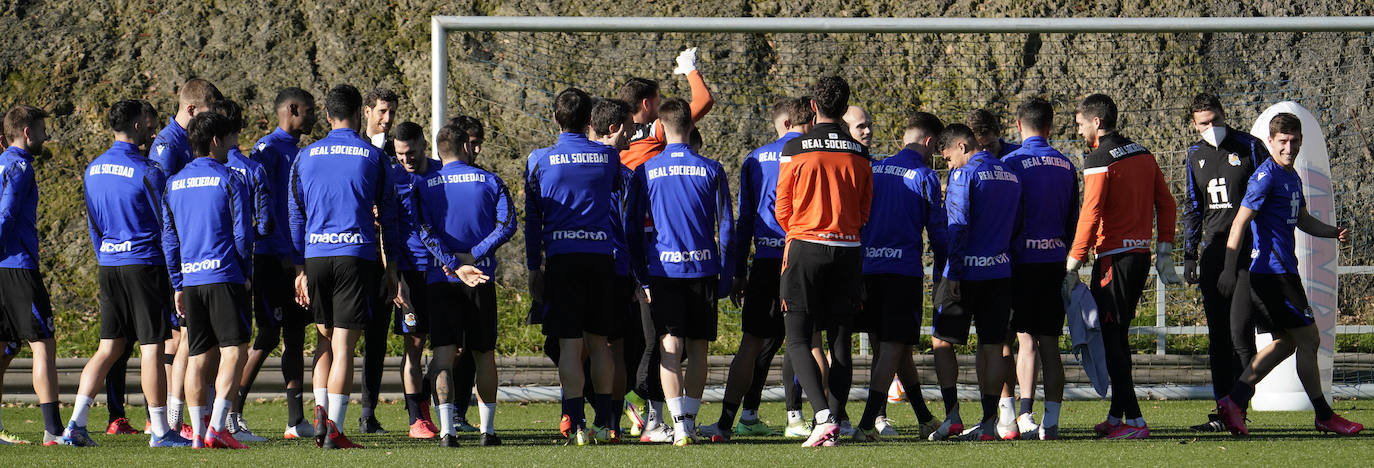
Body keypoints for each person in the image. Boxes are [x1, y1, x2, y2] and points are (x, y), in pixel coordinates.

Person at [1215, 113, 1363, 436]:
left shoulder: (1291, 177)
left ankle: (1233, 401)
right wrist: (1228, 268)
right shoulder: (1265, 176)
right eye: (1282, 141)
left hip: (1283, 273)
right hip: (1272, 274)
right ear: (1270, 142)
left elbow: (1303, 219)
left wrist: (1332, 232)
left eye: (1294, 140)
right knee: (1310, 339)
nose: (1289, 147)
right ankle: (1324, 414)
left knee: (1286, 344)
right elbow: (1240, 222)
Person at [67, 100, 188, 448]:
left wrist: (106, 255)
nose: (153, 129)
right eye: (149, 123)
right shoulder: (149, 171)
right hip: (144, 264)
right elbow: (167, 226)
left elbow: (94, 225)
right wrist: (175, 276)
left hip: (109, 264)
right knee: (152, 346)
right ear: (137, 125)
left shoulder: (93, 169)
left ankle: (76, 422)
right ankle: (162, 431)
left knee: (108, 347)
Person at [288, 84, 402, 449]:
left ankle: (322, 419)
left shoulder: (304, 156)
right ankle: (334, 429)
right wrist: (392, 267)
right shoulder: (373, 157)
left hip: (316, 256)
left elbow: (294, 214)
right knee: (344, 344)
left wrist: (299, 267)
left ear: (325, 114)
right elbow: (388, 215)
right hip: (355, 256)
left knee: (323, 339)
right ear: (359, 114)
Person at [1067, 94, 1180, 440]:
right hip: (1139, 257)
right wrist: (1163, 251)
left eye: (1081, 124)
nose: (1080, 130)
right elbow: (1167, 203)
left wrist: (1073, 261)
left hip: (1113, 259)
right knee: (1118, 336)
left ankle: (1136, 421)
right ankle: (1117, 416)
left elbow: (1091, 212)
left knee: (1113, 338)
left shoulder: (1098, 159)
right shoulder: (1143, 153)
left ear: (1097, 122)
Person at [700, 97, 813, 442]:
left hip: (765, 260)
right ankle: (801, 418)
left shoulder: (754, 158)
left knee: (751, 343)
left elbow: (743, 219)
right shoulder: (811, 154)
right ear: (798, 123)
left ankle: (725, 423)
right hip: (801, 256)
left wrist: (737, 272)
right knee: (804, 341)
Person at [618, 49, 714, 438]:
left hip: (618, 241)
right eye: (657, 103)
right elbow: (702, 103)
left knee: (631, 336)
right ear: (647, 105)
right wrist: (690, 69)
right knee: (662, 339)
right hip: (655, 244)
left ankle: (623, 411)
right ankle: (654, 415)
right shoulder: (652, 131)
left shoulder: (612, 134)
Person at [626, 98, 734, 446]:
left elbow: (631, 229)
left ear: (662, 126)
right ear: (690, 127)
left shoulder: (646, 170)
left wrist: (642, 275)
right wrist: (728, 274)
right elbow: (727, 229)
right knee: (699, 350)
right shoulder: (713, 169)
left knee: (669, 346)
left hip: (663, 271)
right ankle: (689, 419)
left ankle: (680, 428)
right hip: (703, 269)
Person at [775, 76, 872, 447]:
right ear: (845, 107)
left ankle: (822, 417)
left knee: (798, 338)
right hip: (848, 249)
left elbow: (782, 203)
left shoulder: (796, 147)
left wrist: (802, 229)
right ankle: (837, 420)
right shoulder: (861, 152)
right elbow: (865, 209)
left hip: (806, 246)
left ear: (813, 106)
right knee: (841, 342)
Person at [524, 87, 621, 446]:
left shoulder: (538, 159)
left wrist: (534, 266)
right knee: (600, 345)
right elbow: (616, 201)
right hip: (600, 258)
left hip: (562, 259)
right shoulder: (609, 158)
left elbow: (532, 220)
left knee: (569, 345)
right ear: (588, 121)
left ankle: (575, 422)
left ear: (554, 118)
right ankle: (607, 424)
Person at [849, 111, 947, 443]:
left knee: (897, 348)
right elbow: (938, 232)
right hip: (901, 271)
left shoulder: (873, 168)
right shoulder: (925, 175)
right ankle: (866, 423)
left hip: (867, 269)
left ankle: (923, 418)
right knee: (892, 348)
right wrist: (950, 271)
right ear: (929, 142)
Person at [416, 117, 513, 448]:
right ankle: (488, 431)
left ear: (439, 151)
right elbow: (507, 224)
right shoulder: (490, 180)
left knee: (443, 354)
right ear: (463, 147)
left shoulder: (425, 185)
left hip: (440, 277)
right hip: (481, 275)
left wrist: (453, 263)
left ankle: (447, 432)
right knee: (484, 354)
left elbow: (423, 231)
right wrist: (474, 255)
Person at [161, 111, 255, 449]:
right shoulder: (231, 178)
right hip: (225, 275)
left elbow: (169, 240)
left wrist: (177, 282)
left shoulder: (173, 183)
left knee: (198, 356)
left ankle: (198, 434)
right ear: (215, 141)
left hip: (192, 279)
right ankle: (217, 426)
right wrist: (244, 272)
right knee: (235, 351)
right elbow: (243, 234)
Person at [928, 124, 1022, 442]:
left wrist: (952, 274)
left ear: (962, 146)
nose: (949, 165)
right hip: (1000, 272)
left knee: (941, 342)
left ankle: (953, 416)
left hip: (966, 273)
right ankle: (988, 423)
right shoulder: (1010, 174)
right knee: (993, 349)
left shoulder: (964, 175)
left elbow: (957, 226)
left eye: (948, 158)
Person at [1180, 93, 1267, 432]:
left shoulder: (1250, 146)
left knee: (1240, 335)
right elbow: (1193, 206)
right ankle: (1222, 410)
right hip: (1214, 253)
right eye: (1203, 123)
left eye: (1215, 120)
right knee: (1217, 337)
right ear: (1194, 125)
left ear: (1224, 115)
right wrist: (1189, 254)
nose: (1211, 127)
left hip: (1248, 253)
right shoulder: (1194, 155)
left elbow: (1267, 195)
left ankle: (1239, 408)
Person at [238, 87, 319, 439]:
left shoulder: (297, 152)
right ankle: (231, 412)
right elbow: (261, 206)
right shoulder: (268, 150)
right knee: (268, 334)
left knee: (296, 334)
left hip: (294, 258)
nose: (314, 117)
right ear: (293, 109)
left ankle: (295, 419)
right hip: (272, 258)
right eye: (310, 111)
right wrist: (282, 251)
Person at [1001, 98, 1079, 440]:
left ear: (1019, 126)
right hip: (1055, 262)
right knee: (1050, 343)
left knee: (1025, 342)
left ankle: (1025, 415)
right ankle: (1053, 421)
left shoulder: (1011, 163)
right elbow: (1074, 218)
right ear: (1051, 127)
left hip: (1021, 263)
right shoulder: (1066, 164)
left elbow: (1007, 215)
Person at [151, 79, 222, 436]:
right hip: (178, 255)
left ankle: (182, 418)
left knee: (185, 339)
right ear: (192, 110)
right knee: (183, 339)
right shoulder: (167, 144)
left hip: (192, 252)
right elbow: (161, 207)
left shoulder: (185, 141)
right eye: (208, 114)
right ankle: (174, 421)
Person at [205, 99, 273, 444]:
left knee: (202, 350)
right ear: (237, 131)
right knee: (235, 348)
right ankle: (228, 420)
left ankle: (191, 421)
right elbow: (261, 225)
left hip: (195, 270)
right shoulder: (249, 169)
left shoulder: (193, 169)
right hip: (237, 268)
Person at [0, 105, 63, 446]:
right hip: (16, 266)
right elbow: (6, 213)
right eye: (40, 130)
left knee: (3, 350)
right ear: (26, 133)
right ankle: (53, 431)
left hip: (3, 267)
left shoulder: (0, 163)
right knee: (43, 344)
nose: (44, 136)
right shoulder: (20, 166)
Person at [385, 121, 442, 440]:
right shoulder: (393, 177)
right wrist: (394, 276)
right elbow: (387, 228)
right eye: (400, 154)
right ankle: (416, 418)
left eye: (411, 152)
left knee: (452, 346)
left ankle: (432, 403)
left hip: (441, 271)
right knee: (415, 345)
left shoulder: (440, 172)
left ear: (423, 145)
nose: (406, 159)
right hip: (409, 272)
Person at [586, 98, 636, 443]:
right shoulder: (624, 174)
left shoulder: (578, 167)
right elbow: (633, 229)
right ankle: (610, 421)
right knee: (612, 348)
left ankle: (583, 415)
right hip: (615, 267)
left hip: (579, 260)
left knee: (576, 344)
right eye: (630, 130)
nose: (633, 137)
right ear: (614, 128)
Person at [358, 86, 402, 434]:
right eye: (382, 111)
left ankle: (367, 412)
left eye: (391, 112)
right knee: (336, 334)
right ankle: (324, 413)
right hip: (350, 254)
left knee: (377, 339)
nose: (387, 119)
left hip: (383, 259)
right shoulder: (351, 148)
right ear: (367, 111)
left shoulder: (397, 154)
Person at [446, 115, 487, 434]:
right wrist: (453, 259)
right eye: (471, 143)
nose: (475, 149)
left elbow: (503, 226)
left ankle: (458, 412)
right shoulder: (435, 179)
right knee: (446, 349)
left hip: (478, 275)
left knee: (474, 348)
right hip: (443, 278)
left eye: (478, 143)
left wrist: (478, 253)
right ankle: (433, 413)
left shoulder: (486, 180)